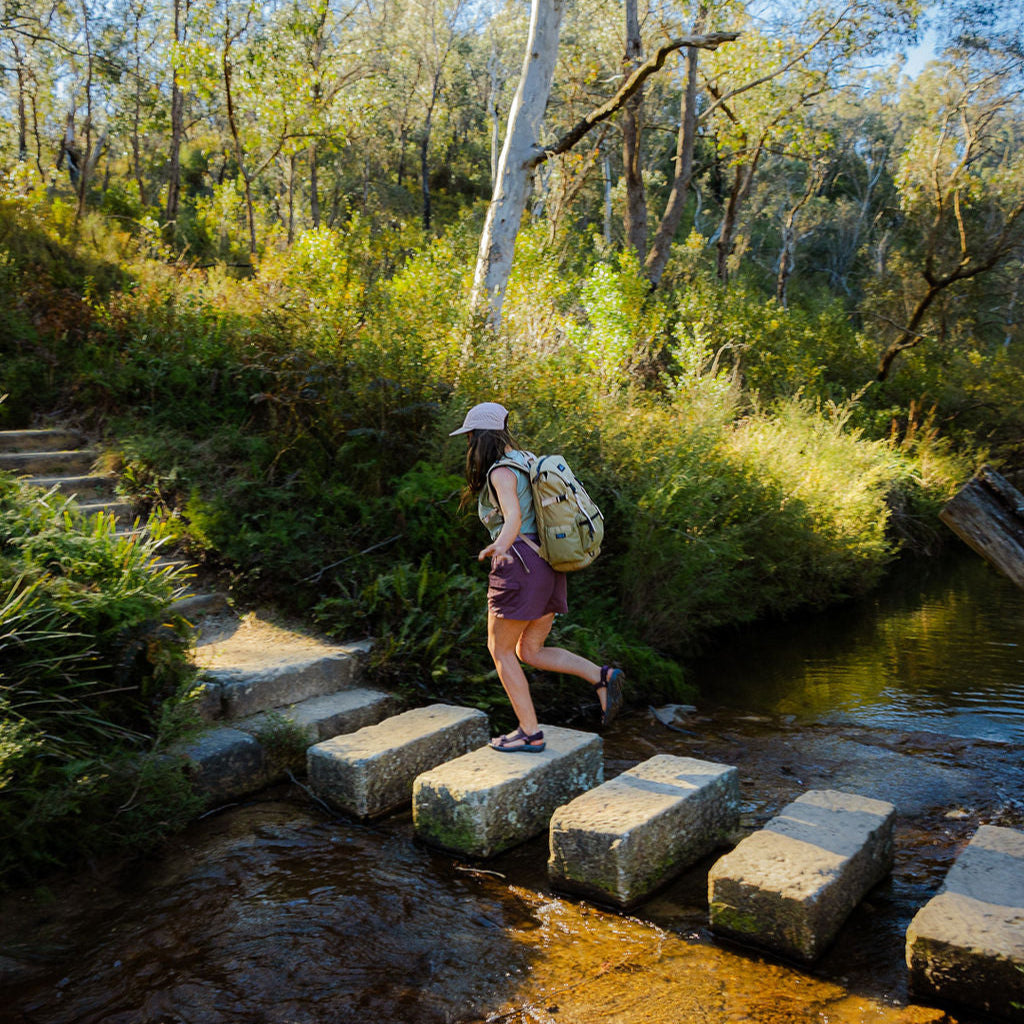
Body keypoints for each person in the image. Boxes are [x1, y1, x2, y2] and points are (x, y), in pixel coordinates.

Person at [450, 401, 624, 752]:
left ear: (478, 437)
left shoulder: (500, 472)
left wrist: (498, 545)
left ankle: (530, 733)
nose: (467, 445)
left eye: (468, 437)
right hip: (549, 566)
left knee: (499, 651)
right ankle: (601, 677)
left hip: (519, 566)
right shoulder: (528, 460)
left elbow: (512, 517)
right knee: (529, 649)